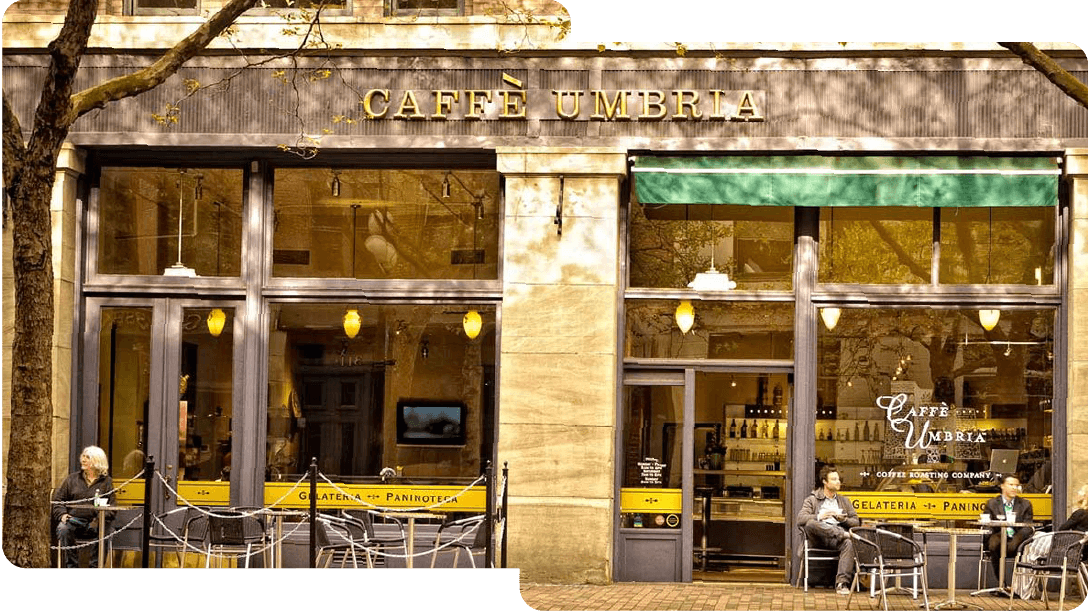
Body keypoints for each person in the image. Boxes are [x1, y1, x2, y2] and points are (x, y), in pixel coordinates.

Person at [798, 465, 860, 595]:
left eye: (838, 479)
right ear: (825, 482)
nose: (838, 482)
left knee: (848, 544)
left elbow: (856, 521)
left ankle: (842, 583)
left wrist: (843, 520)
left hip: (835, 539)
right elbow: (800, 519)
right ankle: (842, 534)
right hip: (818, 538)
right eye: (834, 479)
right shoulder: (812, 499)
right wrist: (820, 516)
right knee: (811, 523)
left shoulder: (843, 501)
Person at [51, 445, 115, 568]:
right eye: (83, 457)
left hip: (96, 522)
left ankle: (95, 567)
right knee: (63, 529)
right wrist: (62, 514)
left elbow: (112, 507)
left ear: (97, 461)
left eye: (88, 457)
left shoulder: (106, 482)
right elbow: (58, 501)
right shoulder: (72, 479)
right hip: (74, 521)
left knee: (106, 531)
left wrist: (99, 519)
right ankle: (72, 567)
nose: (83, 460)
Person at [984, 474, 1034, 583]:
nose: (1014, 488)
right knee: (993, 543)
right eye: (1011, 485)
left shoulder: (1025, 504)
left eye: (1016, 485)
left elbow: (1028, 527)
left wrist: (1017, 539)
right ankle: (1001, 584)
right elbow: (988, 524)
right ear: (1002, 486)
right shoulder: (991, 503)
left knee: (1018, 546)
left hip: (1018, 537)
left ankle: (1017, 585)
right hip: (999, 536)